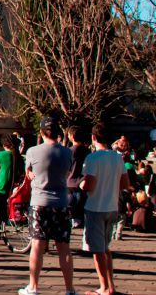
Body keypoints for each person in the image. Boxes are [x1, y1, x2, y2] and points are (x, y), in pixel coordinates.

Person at [18, 117, 76, 295]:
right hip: (61, 203)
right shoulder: (67, 153)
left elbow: (29, 173)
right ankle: (69, 289)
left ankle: (33, 287)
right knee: (64, 247)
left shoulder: (32, 151)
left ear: (41, 132)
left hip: (40, 202)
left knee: (37, 245)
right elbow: (67, 172)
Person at [80, 123, 130, 295]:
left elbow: (89, 185)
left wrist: (81, 184)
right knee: (105, 247)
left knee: (97, 250)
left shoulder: (93, 158)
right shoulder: (117, 158)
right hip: (112, 205)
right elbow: (125, 183)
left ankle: (104, 287)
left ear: (93, 137)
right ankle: (110, 286)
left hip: (96, 206)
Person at [0, 134, 21, 251]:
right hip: (10, 190)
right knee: (1, 208)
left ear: (4, 144)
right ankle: (0, 225)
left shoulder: (0, 155)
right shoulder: (18, 157)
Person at [67, 125, 90, 228]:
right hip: (82, 182)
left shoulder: (69, 151)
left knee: (71, 207)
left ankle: (73, 221)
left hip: (70, 183)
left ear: (72, 136)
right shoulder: (87, 151)